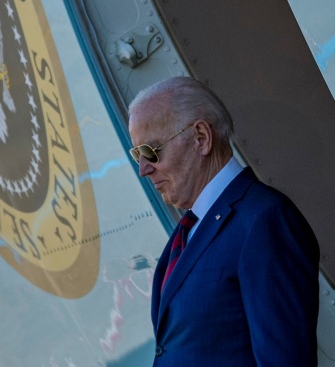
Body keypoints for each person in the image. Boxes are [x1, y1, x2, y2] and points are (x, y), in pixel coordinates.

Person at [128, 76, 320, 366]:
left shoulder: (263, 220)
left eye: (151, 151)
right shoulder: (190, 228)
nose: (143, 169)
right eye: (137, 154)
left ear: (201, 138)